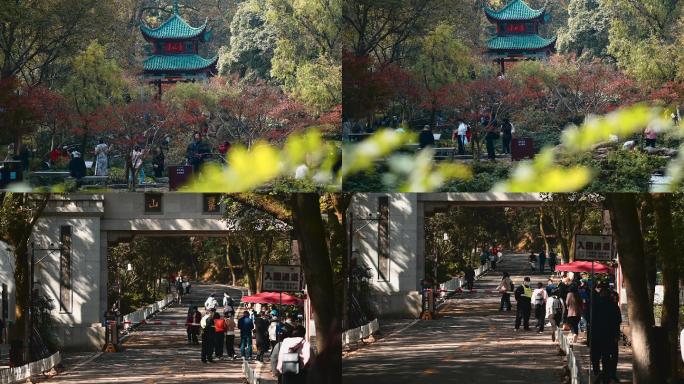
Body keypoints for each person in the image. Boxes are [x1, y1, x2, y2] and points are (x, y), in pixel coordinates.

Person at [590, 283, 622, 384]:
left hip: (597, 334)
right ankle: (607, 375)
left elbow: (591, 320)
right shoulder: (613, 306)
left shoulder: (594, 305)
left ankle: (597, 372)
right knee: (607, 356)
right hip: (609, 335)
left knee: (596, 355)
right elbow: (618, 321)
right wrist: (616, 335)